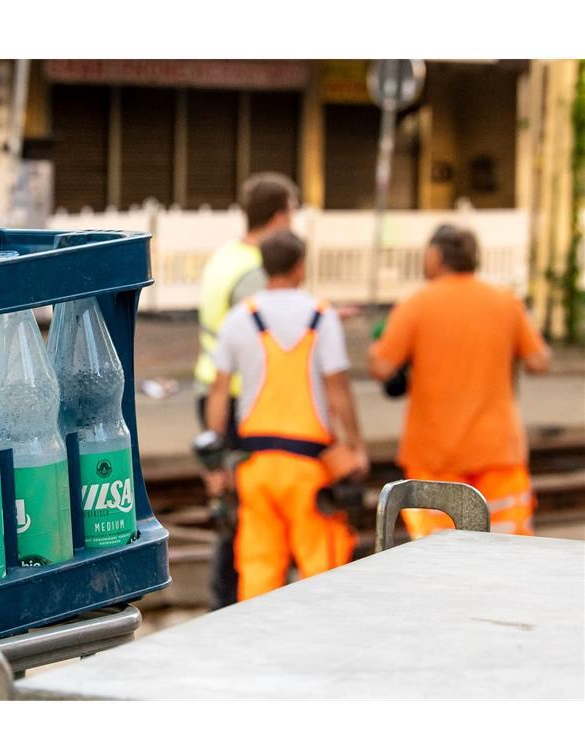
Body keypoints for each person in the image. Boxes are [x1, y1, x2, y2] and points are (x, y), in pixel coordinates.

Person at [207, 230, 367, 601]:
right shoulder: (321, 315)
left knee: (259, 570)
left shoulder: (240, 317)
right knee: (322, 570)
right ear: (300, 267)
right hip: (308, 468)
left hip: (255, 467)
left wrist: (215, 462)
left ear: (264, 268)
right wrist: (355, 445)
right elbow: (337, 390)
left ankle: (259, 647)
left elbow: (218, 394)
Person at [369, 224, 551, 538]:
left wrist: (378, 347)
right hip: (498, 453)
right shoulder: (506, 301)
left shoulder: (416, 304)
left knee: (440, 560)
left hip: (436, 458)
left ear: (435, 256)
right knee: (507, 554)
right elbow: (538, 361)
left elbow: (382, 367)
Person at [193, 172, 298, 608]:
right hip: (241, 400)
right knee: (247, 512)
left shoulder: (226, 257)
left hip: (213, 390)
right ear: (278, 217)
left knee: (234, 505)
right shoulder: (256, 272)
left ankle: (230, 598)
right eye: (291, 213)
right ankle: (231, 602)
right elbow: (267, 340)